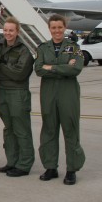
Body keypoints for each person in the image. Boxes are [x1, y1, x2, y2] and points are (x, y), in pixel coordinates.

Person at [35, 14, 85, 185]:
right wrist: (63, 67)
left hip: (68, 93)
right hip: (48, 94)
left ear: (64, 28)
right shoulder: (43, 48)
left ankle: (71, 169)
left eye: (59, 27)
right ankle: (51, 167)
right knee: (49, 129)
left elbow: (76, 68)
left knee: (70, 129)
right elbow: (38, 69)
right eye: (53, 28)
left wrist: (51, 67)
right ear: (49, 29)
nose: (57, 31)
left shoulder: (74, 48)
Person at [0, 17, 35, 177]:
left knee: (21, 128)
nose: (8, 33)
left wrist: (0, 66)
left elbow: (19, 74)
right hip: (2, 92)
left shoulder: (24, 50)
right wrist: (4, 70)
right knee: (9, 128)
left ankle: (24, 164)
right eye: (6, 30)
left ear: (17, 32)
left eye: (11, 30)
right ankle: (12, 161)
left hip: (18, 93)